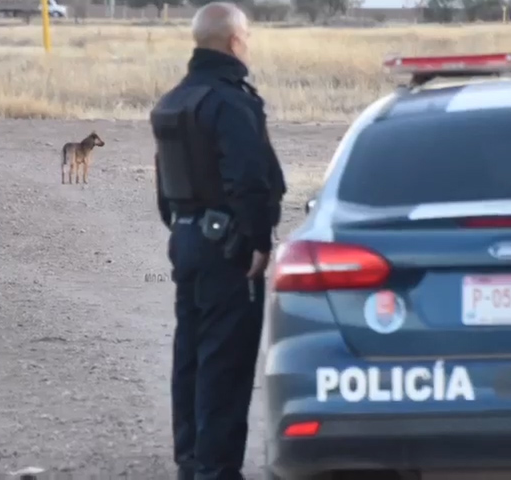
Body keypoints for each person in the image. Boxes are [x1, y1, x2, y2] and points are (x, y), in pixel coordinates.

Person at [148, 3, 287, 480]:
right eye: (245, 36)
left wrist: (184, 228)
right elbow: (249, 180)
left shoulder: (174, 100)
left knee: (190, 353)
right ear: (233, 42)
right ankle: (217, 468)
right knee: (225, 363)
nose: (247, 44)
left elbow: (165, 184)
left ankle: (191, 460)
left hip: (187, 239)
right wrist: (256, 242)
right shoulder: (230, 101)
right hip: (227, 248)